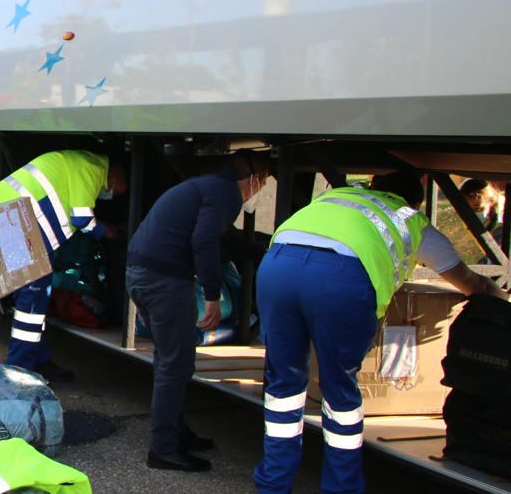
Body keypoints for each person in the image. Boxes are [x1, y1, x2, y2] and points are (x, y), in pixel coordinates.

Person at [254, 171, 509, 494]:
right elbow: (472, 283)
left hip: (277, 268)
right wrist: (502, 303)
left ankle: (273, 485)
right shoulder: (411, 220)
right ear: (415, 201)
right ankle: (341, 488)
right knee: (339, 391)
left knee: (283, 386)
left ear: (375, 186)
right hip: (339, 281)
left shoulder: (339, 197)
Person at [126, 151, 270, 472]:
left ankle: (177, 434)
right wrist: (213, 294)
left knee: (168, 360)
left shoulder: (206, 186)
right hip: (165, 280)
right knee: (176, 365)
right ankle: (164, 449)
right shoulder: (226, 192)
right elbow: (205, 242)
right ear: (253, 178)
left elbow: (225, 238)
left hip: (143, 273)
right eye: (264, 181)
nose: (261, 189)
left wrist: (262, 252)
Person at [0, 150, 128, 382]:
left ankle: (39, 360)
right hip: (15, 227)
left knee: (33, 301)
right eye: (116, 191)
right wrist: (112, 233)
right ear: (115, 179)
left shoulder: (83, 162)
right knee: (33, 302)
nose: (110, 195)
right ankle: (20, 370)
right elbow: (82, 219)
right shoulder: (92, 169)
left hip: (10, 221)